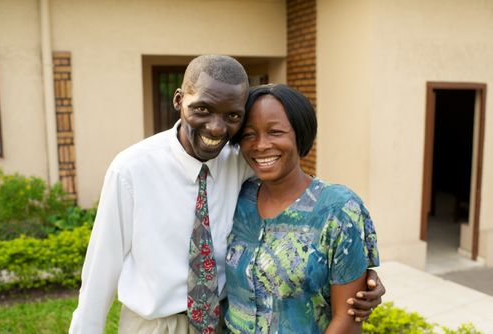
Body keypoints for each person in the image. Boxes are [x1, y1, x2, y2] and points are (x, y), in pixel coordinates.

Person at [69, 55, 383, 334]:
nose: (216, 128)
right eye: (202, 109)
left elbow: (303, 199)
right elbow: (100, 271)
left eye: (232, 116)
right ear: (179, 100)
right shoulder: (131, 170)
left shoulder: (241, 163)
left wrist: (361, 280)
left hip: (222, 321)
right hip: (155, 325)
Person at [225, 84, 380, 333]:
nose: (260, 145)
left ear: (300, 134)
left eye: (275, 132)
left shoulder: (338, 210)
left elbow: (349, 318)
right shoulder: (236, 198)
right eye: (248, 134)